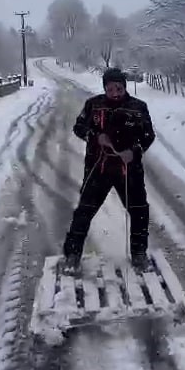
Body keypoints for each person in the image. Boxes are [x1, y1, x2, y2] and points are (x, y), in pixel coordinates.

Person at [63, 67, 156, 273]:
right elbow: (79, 127)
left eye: (118, 88)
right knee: (84, 211)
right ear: (105, 88)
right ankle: (72, 254)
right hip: (99, 167)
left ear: (124, 86)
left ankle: (139, 254)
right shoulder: (93, 105)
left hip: (128, 170)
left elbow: (148, 135)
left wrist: (134, 151)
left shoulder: (138, 107)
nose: (115, 92)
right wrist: (95, 136)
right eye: (110, 88)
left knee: (139, 210)